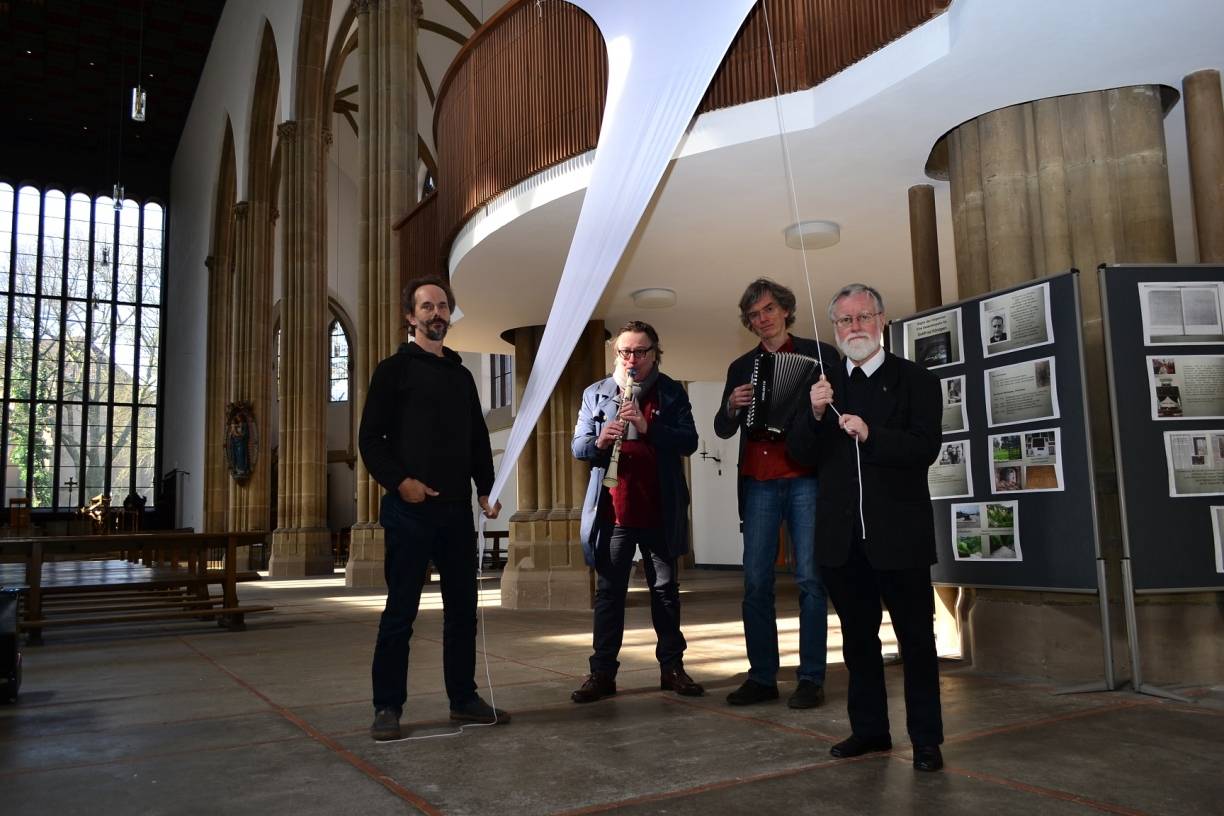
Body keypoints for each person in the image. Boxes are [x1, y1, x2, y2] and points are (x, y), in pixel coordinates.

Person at [787, 283, 945, 772]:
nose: (854, 327)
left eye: (862, 317)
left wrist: (872, 434)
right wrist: (813, 415)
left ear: (881, 320)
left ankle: (925, 739)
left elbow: (924, 448)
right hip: (842, 540)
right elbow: (799, 454)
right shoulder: (824, 385)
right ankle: (871, 730)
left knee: (916, 641)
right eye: (844, 321)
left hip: (900, 536)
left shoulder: (916, 380)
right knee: (858, 642)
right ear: (834, 329)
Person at [358, 276, 509, 741]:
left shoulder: (462, 377)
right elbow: (370, 440)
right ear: (411, 316)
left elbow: (478, 441)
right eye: (426, 306)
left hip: (455, 514)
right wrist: (401, 482)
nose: (436, 313)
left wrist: (486, 488)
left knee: (462, 610)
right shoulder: (392, 370)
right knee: (400, 611)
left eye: (442, 306)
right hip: (409, 511)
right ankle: (388, 706)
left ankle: (462, 697)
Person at [714, 278, 837, 709]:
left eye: (768, 310)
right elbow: (722, 428)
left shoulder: (820, 356)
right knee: (756, 583)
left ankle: (810, 679)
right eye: (753, 315)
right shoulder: (740, 366)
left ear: (785, 310)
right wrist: (731, 405)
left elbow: (836, 421)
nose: (762, 319)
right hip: (759, 480)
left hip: (805, 476)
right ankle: (763, 677)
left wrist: (819, 409)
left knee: (809, 580)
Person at [570, 320, 703, 703]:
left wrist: (646, 426)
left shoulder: (672, 392)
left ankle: (672, 668)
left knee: (665, 591)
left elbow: (689, 441)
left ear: (654, 353)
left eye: (641, 352)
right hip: (614, 509)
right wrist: (599, 439)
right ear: (616, 353)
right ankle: (602, 674)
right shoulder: (596, 393)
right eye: (625, 351)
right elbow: (578, 447)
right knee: (610, 594)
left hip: (660, 506)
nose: (632, 359)